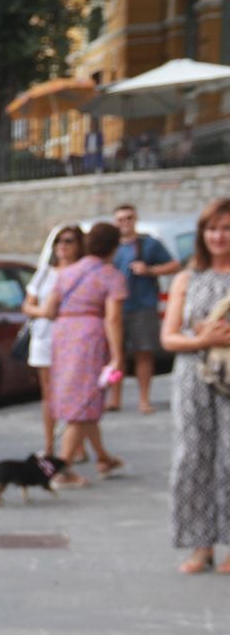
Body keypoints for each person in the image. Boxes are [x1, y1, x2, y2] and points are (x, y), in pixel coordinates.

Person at [160, 198, 230, 573]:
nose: (219, 236)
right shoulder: (187, 278)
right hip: (192, 377)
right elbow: (169, 338)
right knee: (192, 456)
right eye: (213, 228)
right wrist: (203, 340)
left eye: (227, 228)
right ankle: (200, 546)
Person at [43, 222, 128, 488]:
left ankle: (103, 458)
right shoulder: (110, 275)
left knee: (80, 397)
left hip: (63, 332)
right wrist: (117, 354)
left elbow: (50, 308)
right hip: (89, 334)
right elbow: (113, 318)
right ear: (114, 246)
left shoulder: (67, 272)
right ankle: (62, 468)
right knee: (84, 402)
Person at [22, 225, 84, 459]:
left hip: (73, 338)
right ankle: (49, 445)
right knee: (49, 393)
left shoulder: (82, 271)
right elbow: (27, 305)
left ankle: (76, 445)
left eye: (68, 241)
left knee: (73, 391)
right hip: (45, 337)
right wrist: (44, 312)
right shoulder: (45, 272)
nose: (63, 246)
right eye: (59, 241)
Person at [112, 204, 181, 413]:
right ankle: (115, 399)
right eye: (121, 219)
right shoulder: (111, 247)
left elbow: (174, 265)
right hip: (117, 307)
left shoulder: (149, 244)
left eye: (129, 218)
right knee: (117, 354)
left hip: (143, 305)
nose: (125, 222)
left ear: (135, 219)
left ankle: (144, 399)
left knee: (144, 352)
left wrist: (149, 270)